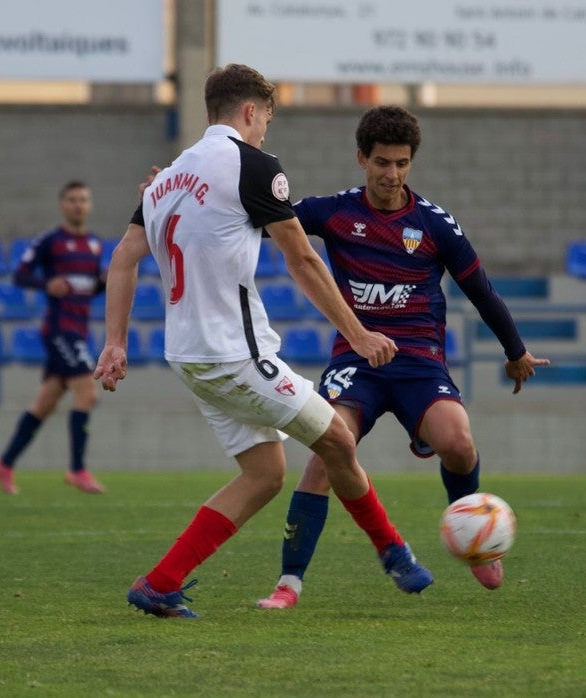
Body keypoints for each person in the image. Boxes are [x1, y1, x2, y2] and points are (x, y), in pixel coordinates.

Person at [94, 64, 433, 618]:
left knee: (265, 474)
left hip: (188, 354)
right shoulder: (252, 164)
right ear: (251, 112)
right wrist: (360, 333)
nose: (264, 134)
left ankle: (159, 583)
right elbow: (301, 257)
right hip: (234, 354)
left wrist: (115, 341)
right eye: (266, 121)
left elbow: (123, 258)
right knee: (339, 443)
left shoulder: (167, 179)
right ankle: (394, 552)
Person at [256, 106, 550, 610]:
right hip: (356, 360)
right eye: (382, 163)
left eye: (402, 163)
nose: (392, 175)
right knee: (327, 455)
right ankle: (288, 585)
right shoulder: (333, 212)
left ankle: (474, 537)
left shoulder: (434, 224)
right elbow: (261, 220)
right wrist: (177, 195)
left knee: (458, 444)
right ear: (361, 159)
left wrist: (515, 350)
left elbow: (479, 288)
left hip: (419, 362)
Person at [0, 181, 108, 495]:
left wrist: (103, 282)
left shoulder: (94, 245)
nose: (78, 205)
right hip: (59, 330)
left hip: (79, 330)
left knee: (45, 403)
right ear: (62, 205)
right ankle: (78, 469)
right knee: (87, 391)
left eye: (83, 199)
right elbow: (20, 274)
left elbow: (90, 288)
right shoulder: (50, 241)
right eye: (72, 200)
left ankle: (4, 463)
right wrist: (46, 284)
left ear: (90, 205)